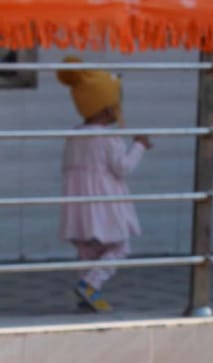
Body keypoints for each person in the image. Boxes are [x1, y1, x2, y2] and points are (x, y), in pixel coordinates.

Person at [57, 59, 152, 312]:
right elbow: (123, 167)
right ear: (108, 109)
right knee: (120, 247)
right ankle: (90, 285)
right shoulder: (109, 138)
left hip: (79, 206)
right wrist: (139, 145)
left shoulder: (74, 135)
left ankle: (85, 291)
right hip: (104, 205)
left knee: (87, 251)